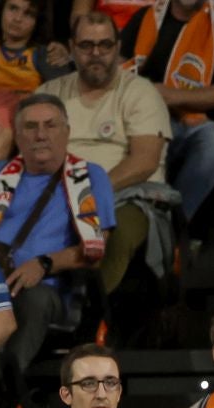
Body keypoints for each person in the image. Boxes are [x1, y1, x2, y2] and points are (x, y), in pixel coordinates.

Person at [42, 13, 171, 296]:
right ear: (72, 47)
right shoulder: (50, 94)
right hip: (57, 195)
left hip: (127, 196)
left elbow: (145, 160)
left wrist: (89, 194)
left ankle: (93, 316)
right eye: (87, 46)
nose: (96, 53)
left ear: (118, 47)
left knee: (112, 235)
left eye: (105, 45)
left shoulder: (140, 92)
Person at [0, 96, 114, 397]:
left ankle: (3, 389)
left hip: (50, 290)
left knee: (30, 298)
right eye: (31, 126)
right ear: (17, 134)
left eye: (50, 125)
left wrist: (45, 263)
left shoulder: (91, 176)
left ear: (66, 131)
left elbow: (97, 250)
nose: (41, 134)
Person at [120, 0, 214, 220]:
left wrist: (168, 96)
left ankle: (173, 226)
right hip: (142, 118)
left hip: (195, 122)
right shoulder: (145, 17)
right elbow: (117, 71)